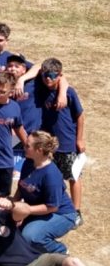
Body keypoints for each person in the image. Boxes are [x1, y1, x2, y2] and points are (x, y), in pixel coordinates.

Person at [0, 131, 77, 254]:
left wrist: (27, 210)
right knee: (0, 217)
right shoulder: (28, 163)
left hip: (61, 214)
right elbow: (22, 186)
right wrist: (12, 203)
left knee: (30, 236)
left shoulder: (51, 175)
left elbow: (53, 207)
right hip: (37, 210)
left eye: (27, 146)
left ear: (39, 150)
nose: (24, 147)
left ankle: (61, 251)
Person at [37, 57, 86, 225]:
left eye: (52, 75)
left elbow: (80, 116)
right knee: (52, 178)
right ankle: (55, 207)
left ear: (59, 75)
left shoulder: (69, 92)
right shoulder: (41, 89)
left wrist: (79, 139)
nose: (48, 79)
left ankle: (76, 211)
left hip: (67, 143)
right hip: (50, 145)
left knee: (73, 176)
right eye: (45, 75)